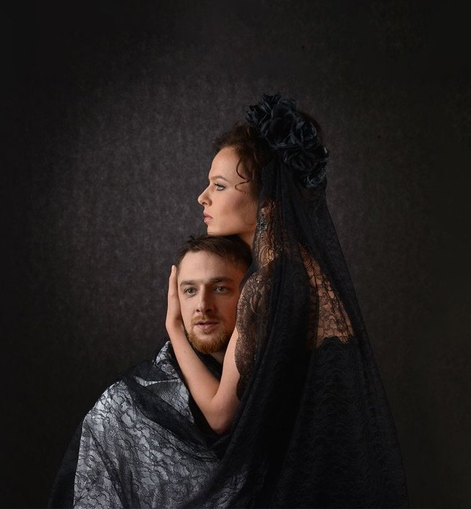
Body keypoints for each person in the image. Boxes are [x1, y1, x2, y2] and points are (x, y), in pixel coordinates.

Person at [171, 92, 409, 507]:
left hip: (305, 491)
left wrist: (174, 328)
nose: (202, 197)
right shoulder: (301, 266)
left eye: (219, 186)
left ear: (267, 201)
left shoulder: (269, 283)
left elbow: (221, 415)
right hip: (338, 484)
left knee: (124, 413)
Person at [49, 234, 253, 508]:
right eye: (189, 290)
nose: (203, 305)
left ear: (250, 295)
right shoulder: (125, 406)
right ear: (175, 298)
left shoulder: (276, 387)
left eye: (220, 288)